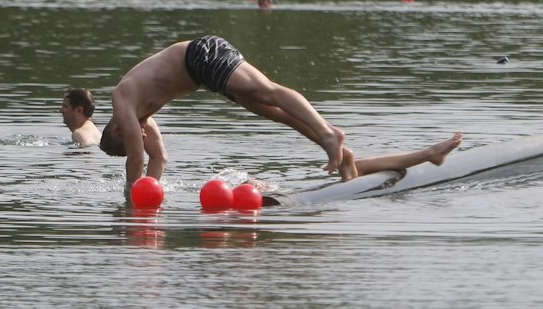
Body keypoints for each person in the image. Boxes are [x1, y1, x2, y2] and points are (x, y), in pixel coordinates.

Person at [100, 35, 354, 195]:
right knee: (274, 112)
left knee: (267, 91)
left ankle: (327, 133)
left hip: (201, 55)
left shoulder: (122, 99)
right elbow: (159, 157)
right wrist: (150, 194)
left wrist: (130, 203)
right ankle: (335, 146)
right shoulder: (142, 116)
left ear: (119, 130)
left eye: (135, 136)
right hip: (204, 74)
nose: (141, 137)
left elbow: (136, 158)